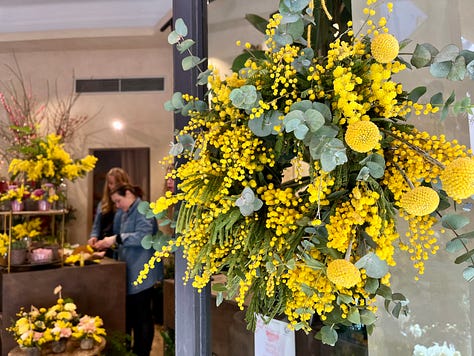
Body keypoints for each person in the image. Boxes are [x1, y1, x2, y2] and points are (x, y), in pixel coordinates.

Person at [93, 183, 161, 356]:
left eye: (118, 201)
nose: (117, 205)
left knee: (143, 317)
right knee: (132, 316)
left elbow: (144, 236)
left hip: (142, 273)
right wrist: (107, 249)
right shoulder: (124, 213)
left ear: (129, 193)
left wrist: (116, 238)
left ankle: (142, 352)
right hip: (129, 272)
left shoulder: (143, 210)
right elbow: (121, 242)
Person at [88, 167, 131, 256]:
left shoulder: (128, 205)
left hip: (117, 247)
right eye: (111, 183)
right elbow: (96, 225)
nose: (113, 187)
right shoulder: (103, 203)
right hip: (101, 247)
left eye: (117, 183)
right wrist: (93, 236)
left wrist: (112, 241)